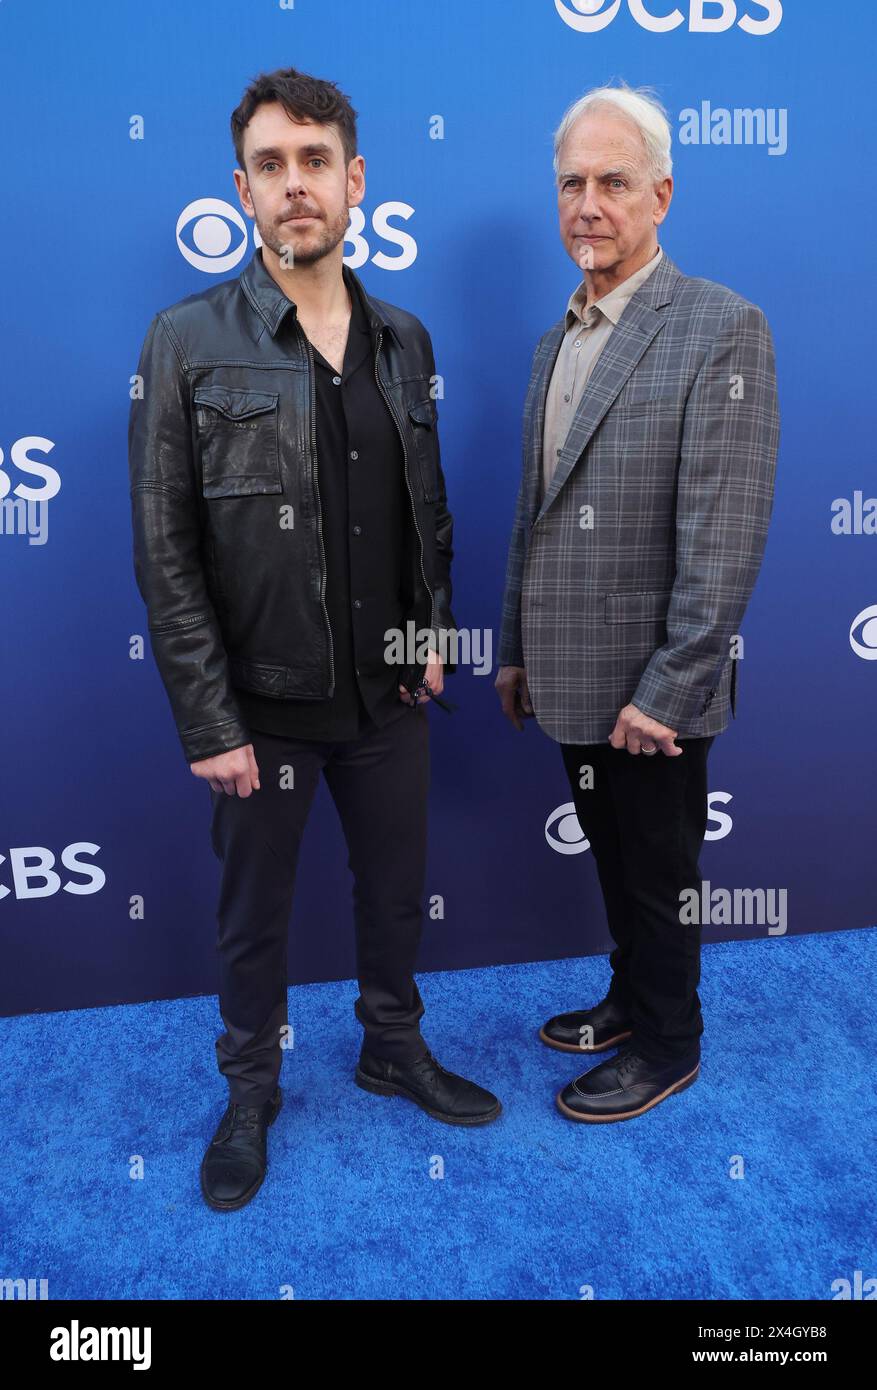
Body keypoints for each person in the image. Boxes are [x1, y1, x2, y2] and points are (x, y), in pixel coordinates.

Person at [128, 67, 500, 1213]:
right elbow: (165, 550)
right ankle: (249, 1091)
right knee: (255, 918)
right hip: (261, 708)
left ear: (356, 181)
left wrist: (435, 629)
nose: (299, 185)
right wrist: (209, 718)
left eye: (317, 161)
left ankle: (392, 1043)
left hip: (389, 697)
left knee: (395, 893)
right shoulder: (187, 339)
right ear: (242, 188)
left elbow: (424, 507)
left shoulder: (404, 336)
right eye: (274, 164)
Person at [495, 82, 780, 1123]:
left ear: (660, 194)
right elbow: (533, 511)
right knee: (616, 866)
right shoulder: (553, 340)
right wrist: (516, 648)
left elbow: (726, 531)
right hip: (567, 677)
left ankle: (668, 1041)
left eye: (613, 182)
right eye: (572, 182)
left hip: (655, 691)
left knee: (659, 873)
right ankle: (629, 996)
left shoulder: (719, 327)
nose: (588, 203)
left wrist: (670, 687)